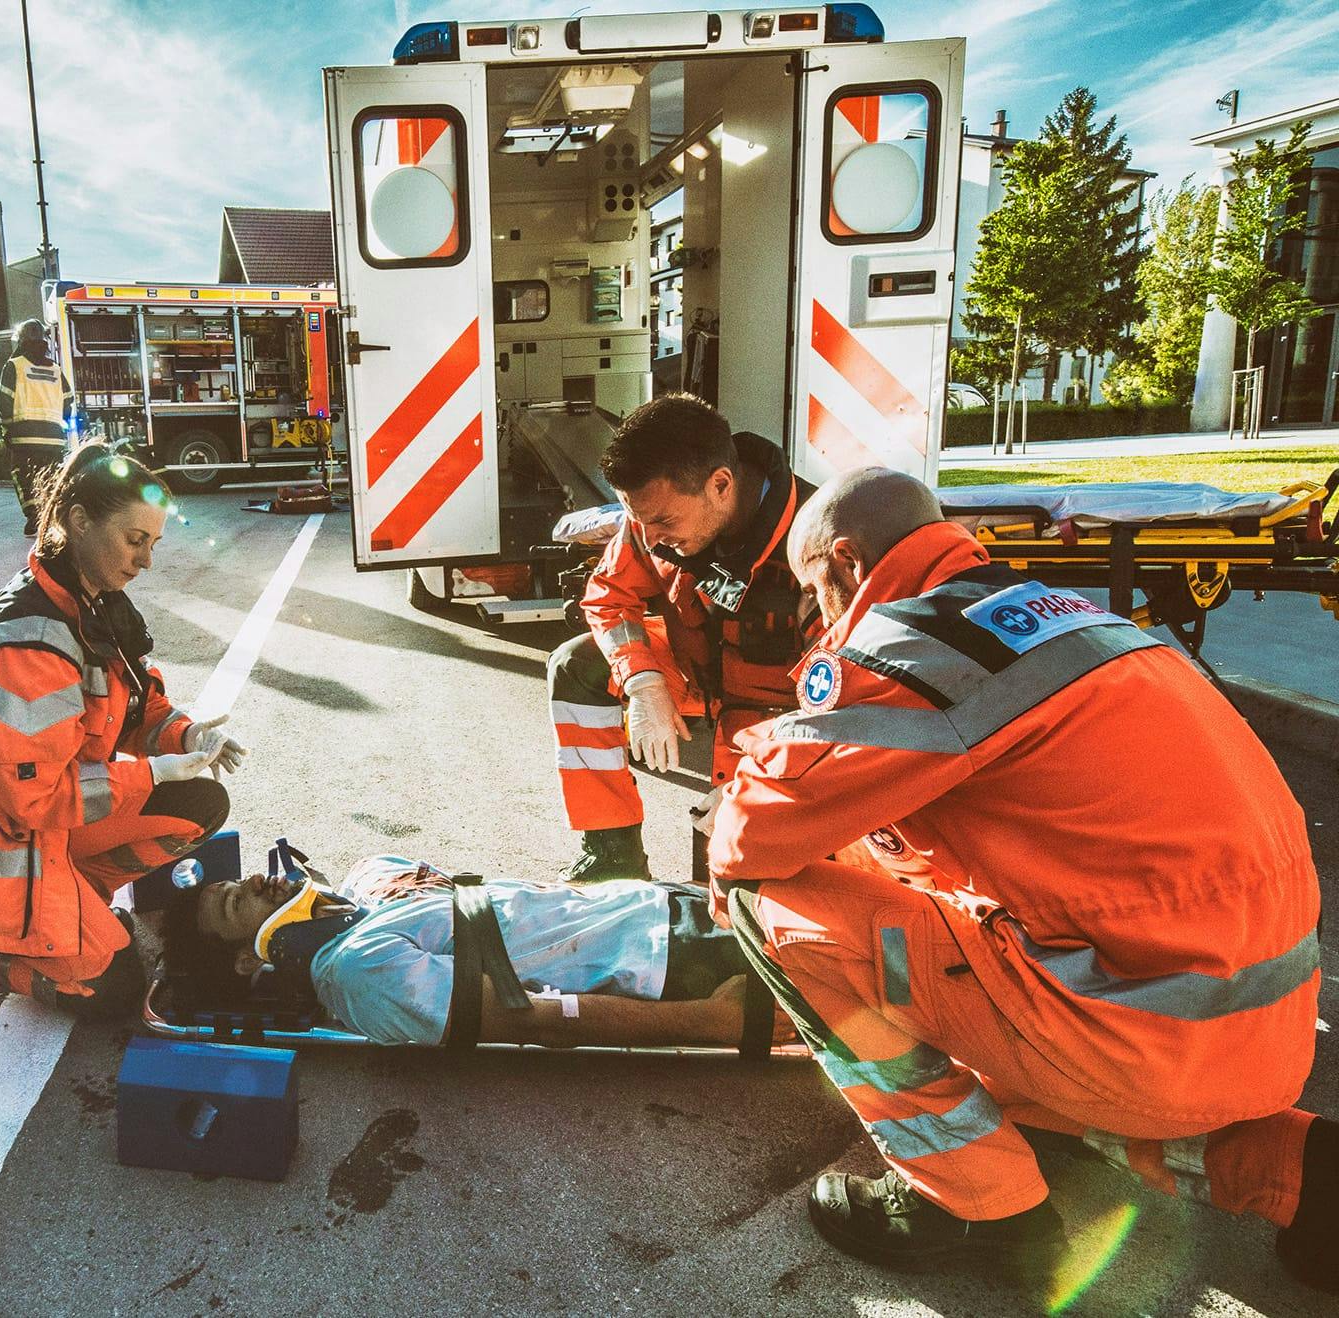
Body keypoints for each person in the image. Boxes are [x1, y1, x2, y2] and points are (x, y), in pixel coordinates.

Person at [705, 466, 1333, 1293]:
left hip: (1133, 1034)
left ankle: (970, 1205)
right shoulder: (1072, 618)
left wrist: (742, 823)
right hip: (1262, 1036)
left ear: (848, 564)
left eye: (816, 589)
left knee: (769, 904)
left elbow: (753, 835)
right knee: (1016, 1090)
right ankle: (1306, 1175)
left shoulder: (918, 645)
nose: (820, 615)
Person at [0, 441, 249, 1020]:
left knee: (199, 801)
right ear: (78, 522)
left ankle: (69, 896)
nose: (146, 561)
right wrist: (150, 772)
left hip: (41, 814)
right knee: (115, 990)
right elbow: (32, 797)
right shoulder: (32, 642)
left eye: (153, 543)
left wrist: (186, 736)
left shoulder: (92, 603)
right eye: (134, 539)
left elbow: (135, 709)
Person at [549, 394, 814, 883]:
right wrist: (642, 681)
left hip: (780, 714)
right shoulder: (652, 519)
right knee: (574, 666)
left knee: (730, 893)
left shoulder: (814, 542)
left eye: (664, 523)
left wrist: (754, 784)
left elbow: (840, 706)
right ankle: (612, 852)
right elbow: (608, 596)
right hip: (697, 672)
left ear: (720, 484)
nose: (649, 539)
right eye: (639, 521)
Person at [163, 853, 781, 1049]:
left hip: (669, 901)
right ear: (249, 959)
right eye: (233, 905)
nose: (248, 883)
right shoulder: (358, 972)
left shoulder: (370, 880)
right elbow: (528, 1017)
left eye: (233, 880)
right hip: (672, 961)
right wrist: (709, 1022)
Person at [0, 318, 71, 537]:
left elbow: (4, 401)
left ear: (20, 341)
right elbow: (68, 401)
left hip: (24, 436)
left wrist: (6, 429)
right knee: (50, 477)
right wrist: (61, 425)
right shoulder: (56, 370)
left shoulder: (14, 365)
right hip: (54, 438)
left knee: (24, 476)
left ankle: (34, 518)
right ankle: (50, 518)